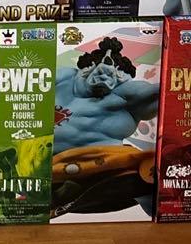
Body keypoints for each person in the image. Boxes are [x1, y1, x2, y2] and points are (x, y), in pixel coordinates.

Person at [51, 36, 159, 218]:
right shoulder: (64, 77)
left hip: (104, 169)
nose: (104, 72)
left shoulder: (124, 94)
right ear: (88, 67)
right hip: (44, 167)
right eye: (99, 67)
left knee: (146, 175)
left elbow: (160, 93)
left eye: (113, 72)